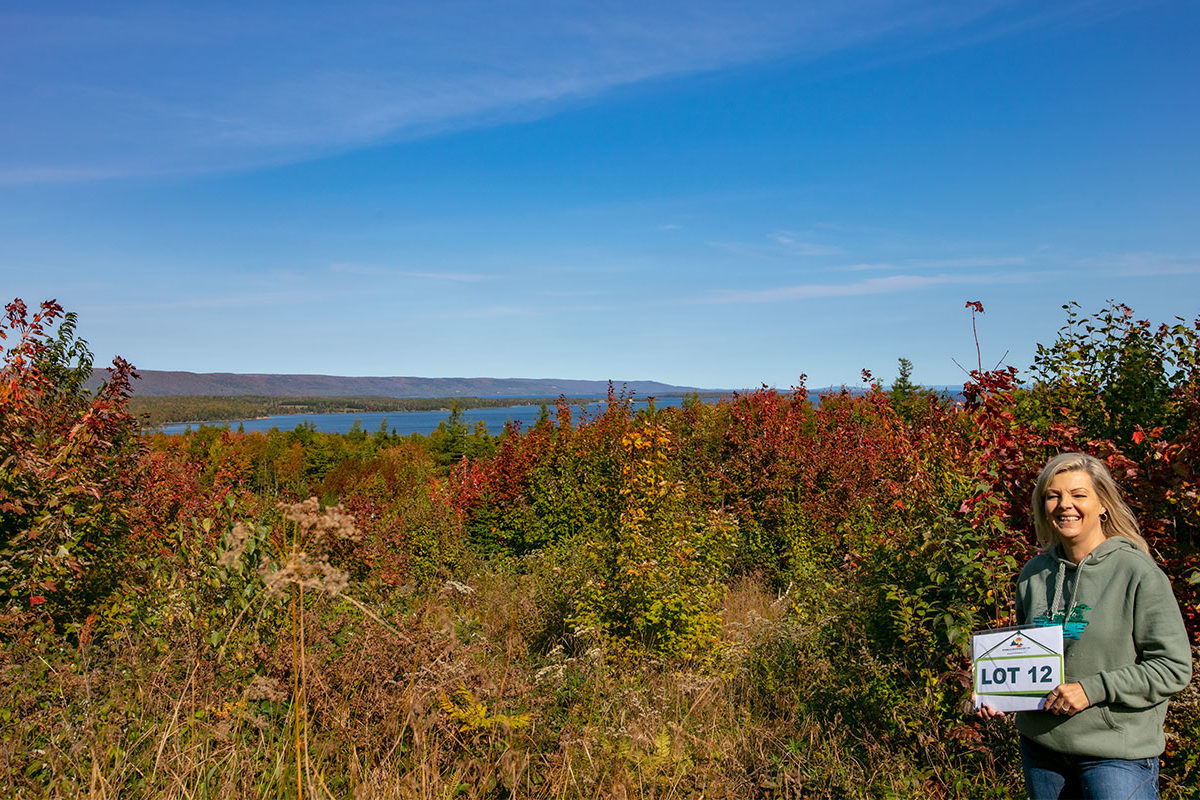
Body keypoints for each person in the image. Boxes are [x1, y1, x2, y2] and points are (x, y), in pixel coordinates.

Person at [979, 452, 1192, 799]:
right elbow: (1027, 656)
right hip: (1041, 749)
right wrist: (1000, 693)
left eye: (1078, 495)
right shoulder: (1034, 574)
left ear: (1103, 504)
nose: (1065, 505)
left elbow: (1173, 667)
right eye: (1053, 495)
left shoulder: (1138, 573)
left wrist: (1091, 689)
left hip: (1116, 753)